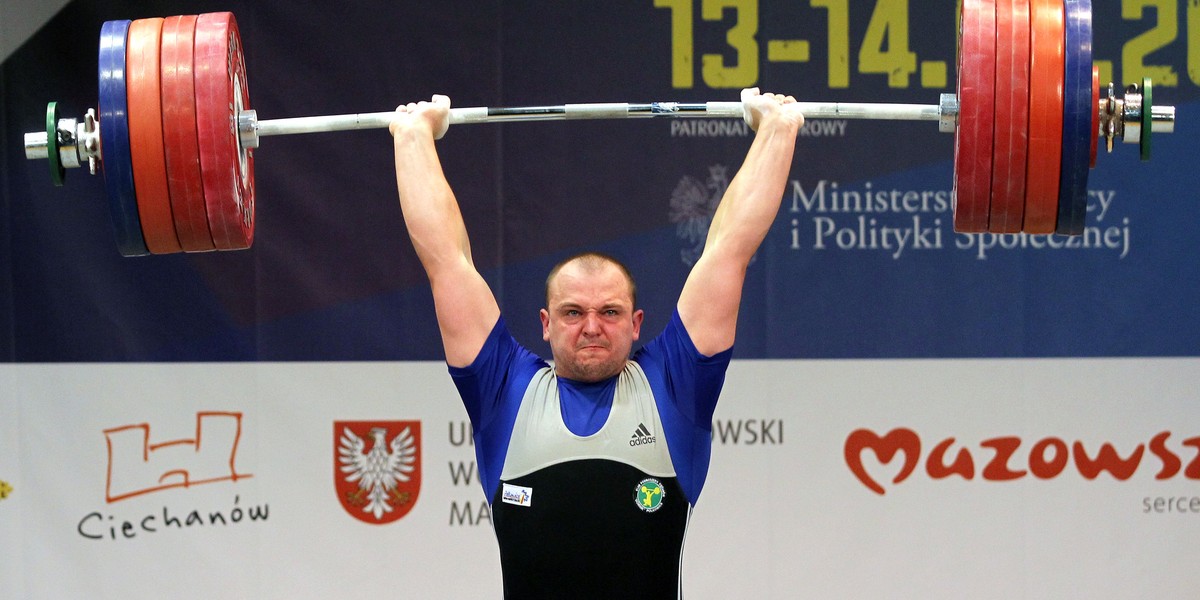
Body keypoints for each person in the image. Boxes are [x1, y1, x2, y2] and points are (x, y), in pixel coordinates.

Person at [390, 88, 804, 598]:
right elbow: (445, 261)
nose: (591, 327)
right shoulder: (504, 390)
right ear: (546, 323)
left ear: (635, 323)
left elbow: (730, 249)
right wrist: (412, 137)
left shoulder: (674, 385)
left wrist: (777, 130)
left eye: (609, 312)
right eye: (573, 313)